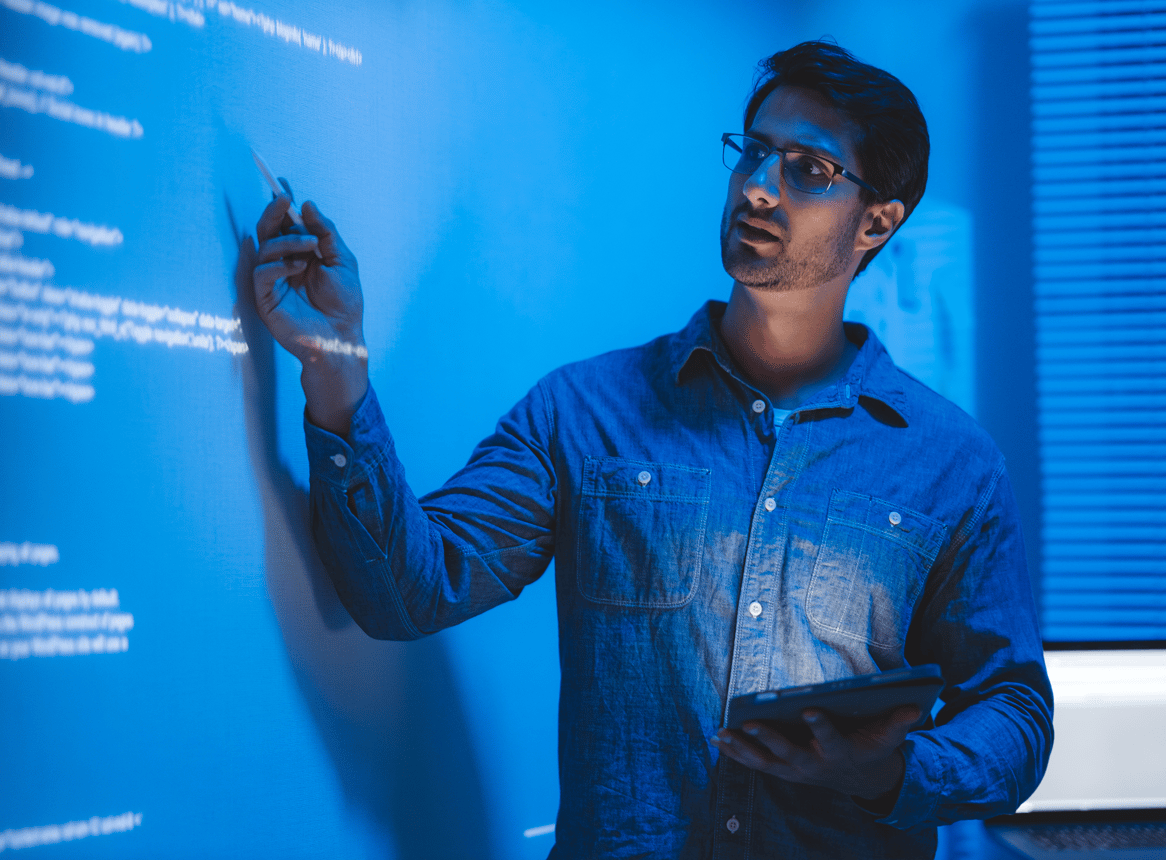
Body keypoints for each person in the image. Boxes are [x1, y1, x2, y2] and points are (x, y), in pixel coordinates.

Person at [249, 40, 1053, 860]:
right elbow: (408, 591)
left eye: (809, 169)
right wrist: (334, 368)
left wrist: (890, 772)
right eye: (756, 151)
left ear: (877, 221)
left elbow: (1015, 716)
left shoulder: (954, 463)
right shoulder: (584, 411)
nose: (760, 188)